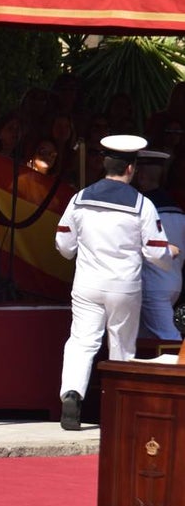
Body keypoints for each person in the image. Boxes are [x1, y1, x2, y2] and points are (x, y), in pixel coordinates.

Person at [56, 135, 177, 430]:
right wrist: (170, 253)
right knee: (122, 346)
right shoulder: (142, 204)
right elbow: (155, 251)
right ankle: (119, 409)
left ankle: (72, 395)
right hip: (124, 286)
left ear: (105, 165)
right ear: (131, 169)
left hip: (86, 282)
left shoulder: (79, 198)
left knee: (82, 341)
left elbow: (63, 243)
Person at [132, 150, 185, 341]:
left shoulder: (142, 210)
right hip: (173, 283)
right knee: (143, 339)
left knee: (170, 339)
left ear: (141, 175)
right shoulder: (177, 210)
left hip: (152, 284)